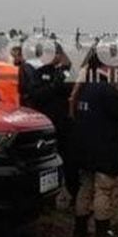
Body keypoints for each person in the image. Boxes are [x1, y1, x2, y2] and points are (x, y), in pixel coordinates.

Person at [70, 52, 118, 237]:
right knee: (103, 191)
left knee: (85, 188)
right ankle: (103, 234)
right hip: (104, 149)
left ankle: (79, 231)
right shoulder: (107, 92)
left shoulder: (82, 90)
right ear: (106, 67)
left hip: (83, 148)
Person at [27, 44, 76, 199]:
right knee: (45, 161)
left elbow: (73, 91)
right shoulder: (39, 73)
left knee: (68, 160)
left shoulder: (68, 73)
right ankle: (47, 194)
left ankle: (71, 192)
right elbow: (35, 95)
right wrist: (54, 86)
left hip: (64, 124)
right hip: (45, 124)